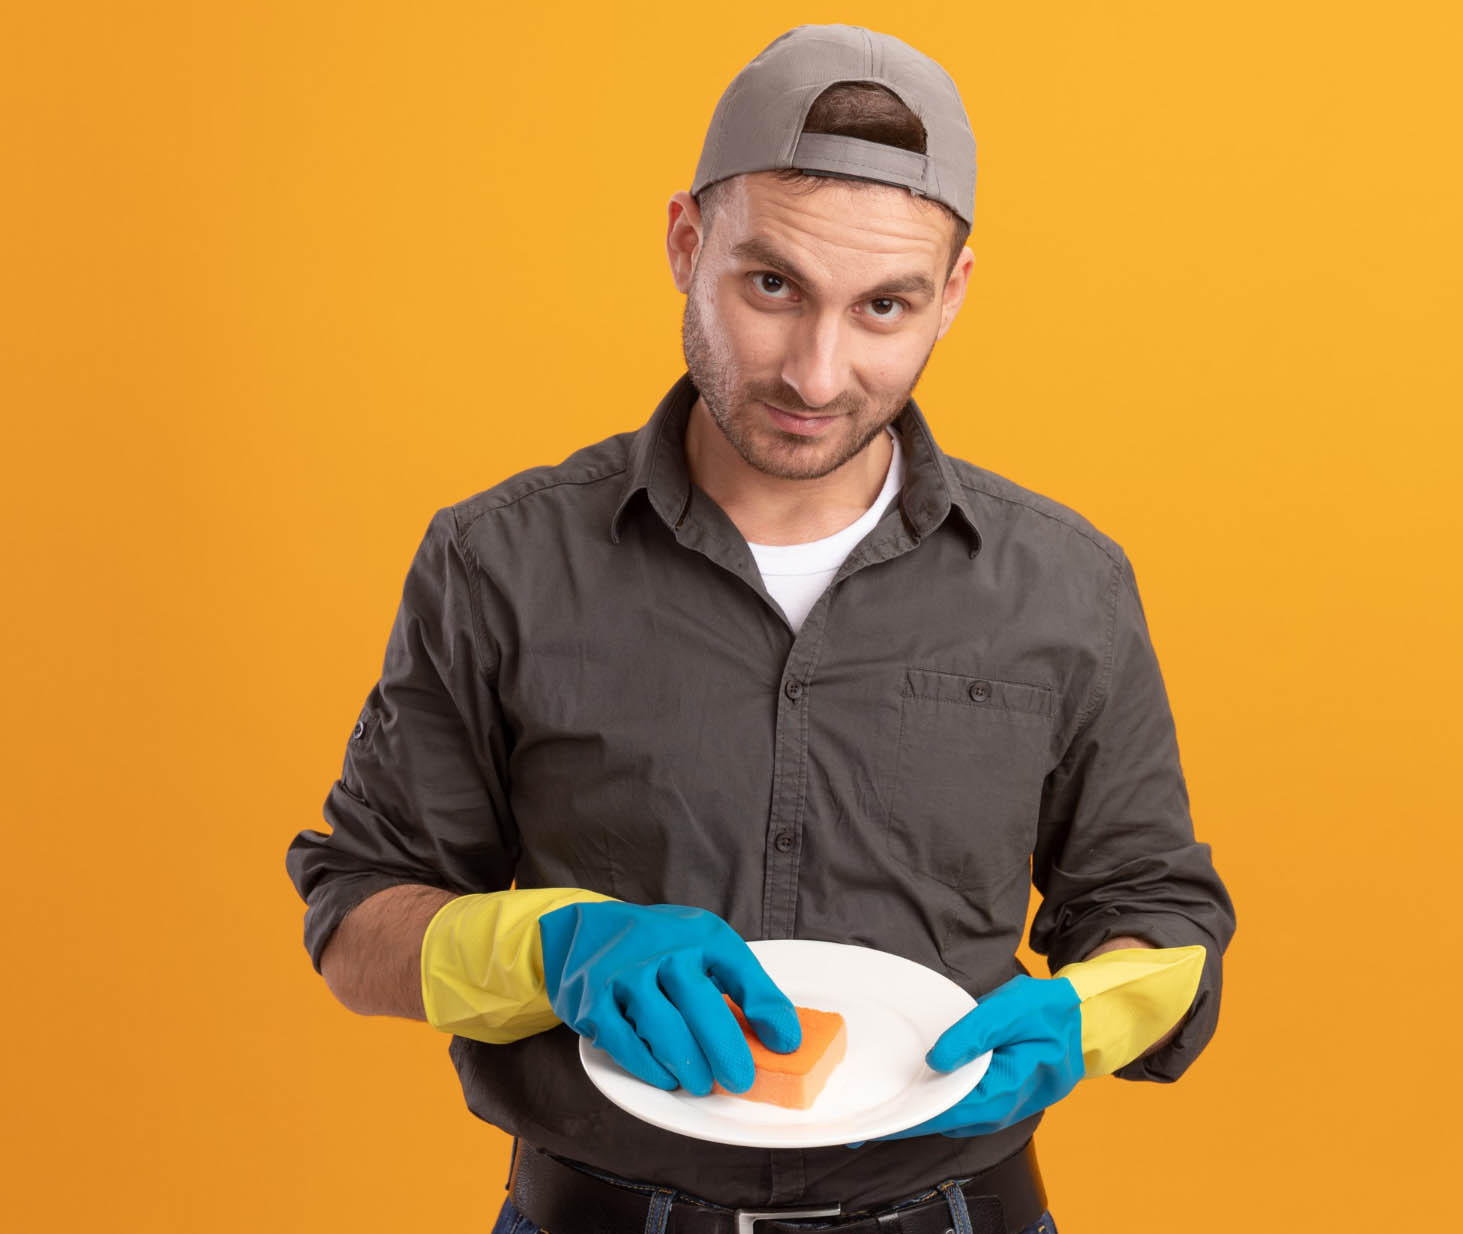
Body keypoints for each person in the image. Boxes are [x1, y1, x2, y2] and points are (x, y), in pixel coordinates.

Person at [285, 23, 1235, 1234]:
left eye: (885, 305)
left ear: (953, 294)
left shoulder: (1067, 584)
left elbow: (1162, 914)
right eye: (772, 285)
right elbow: (352, 922)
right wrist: (552, 946)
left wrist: (1095, 1012)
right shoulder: (498, 562)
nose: (817, 372)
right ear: (688, 242)